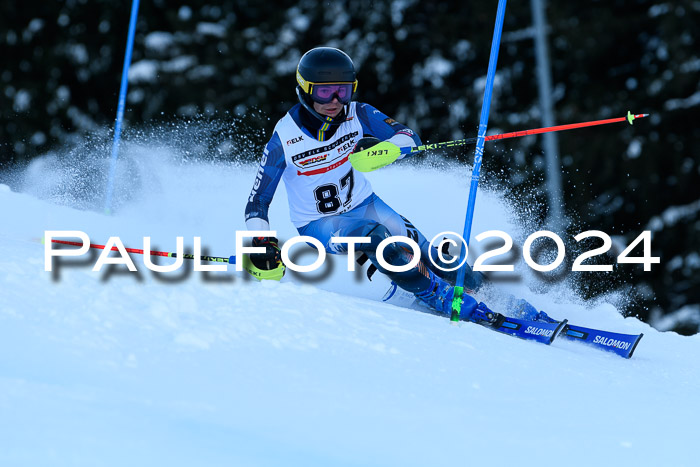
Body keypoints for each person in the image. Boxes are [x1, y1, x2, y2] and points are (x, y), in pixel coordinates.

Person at [244, 46, 541, 323]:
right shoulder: (284, 139)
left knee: (429, 253)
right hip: (320, 224)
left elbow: (409, 137)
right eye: (324, 92)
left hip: (366, 203)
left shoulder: (357, 113)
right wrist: (260, 242)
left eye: (343, 91)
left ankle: (496, 296)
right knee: (374, 237)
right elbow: (258, 200)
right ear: (305, 91)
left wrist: (385, 151)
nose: (335, 102)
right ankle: (437, 296)